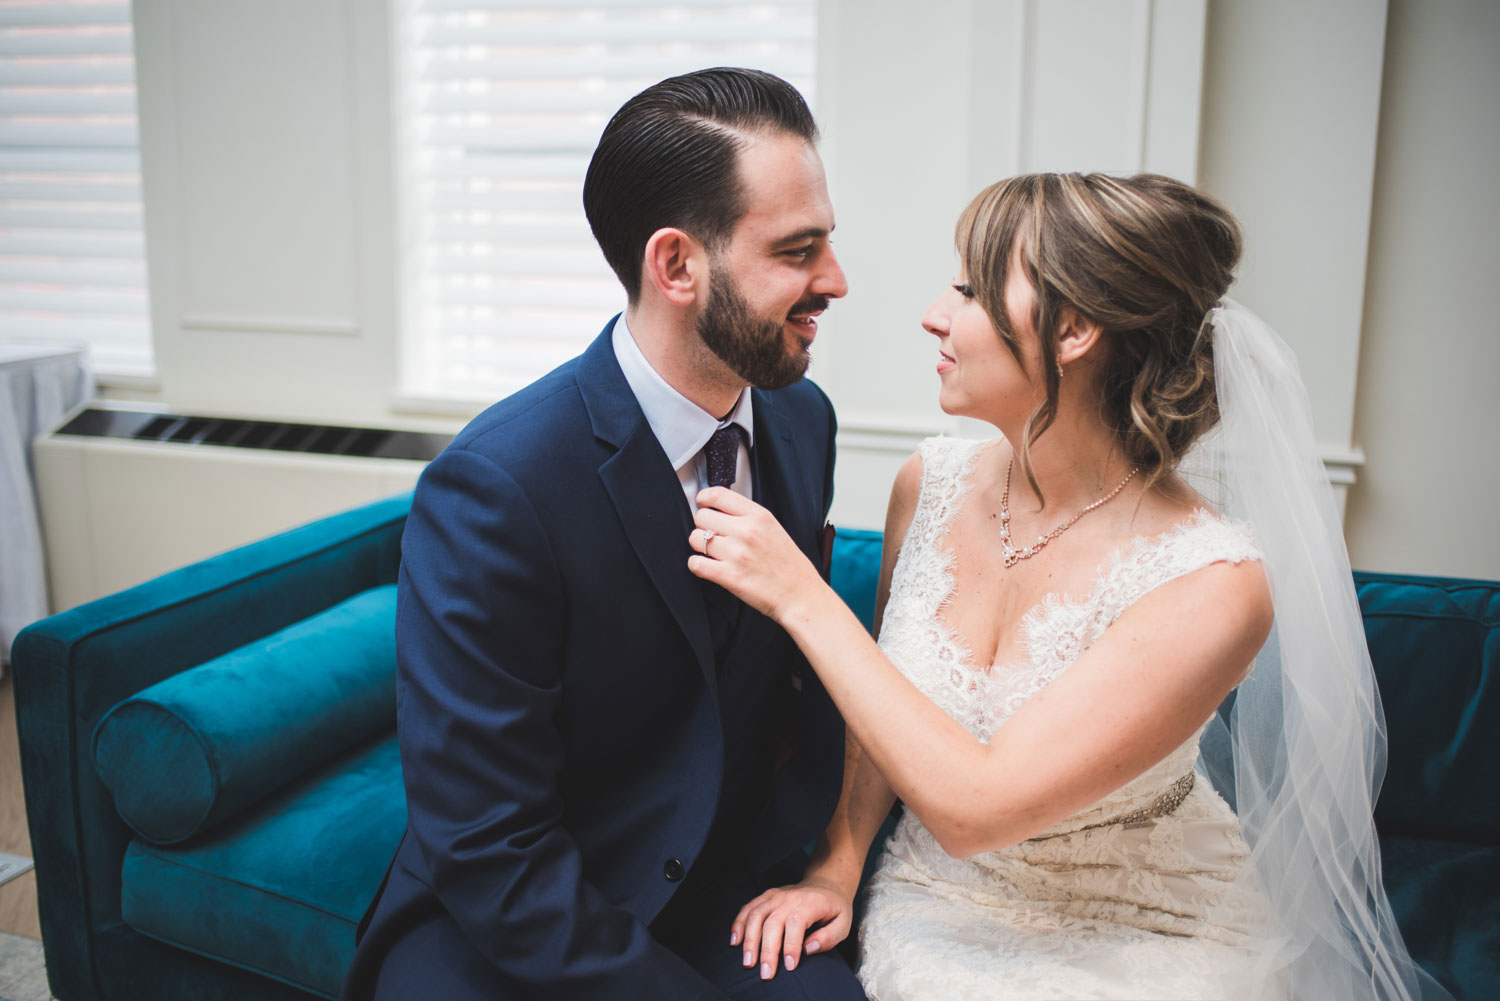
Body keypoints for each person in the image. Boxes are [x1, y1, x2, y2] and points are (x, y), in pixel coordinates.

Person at [688, 172, 1446, 1000]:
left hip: (1150, 927)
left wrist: (802, 597)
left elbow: (976, 808)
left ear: (1074, 330)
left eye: (969, 291)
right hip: (938, 898)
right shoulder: (928, 482)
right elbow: (883, 712)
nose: (934, 314)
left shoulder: (1214, 582)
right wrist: (836, 866)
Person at [340, 67, 866, 1001]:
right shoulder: (496, 487)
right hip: (521, 922)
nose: (835, 281)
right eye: (798, 251)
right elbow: (489, 846)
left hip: (727, 893)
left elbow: (792, 683)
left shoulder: (802, 419)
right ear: (676, 266)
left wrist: (824, 860)